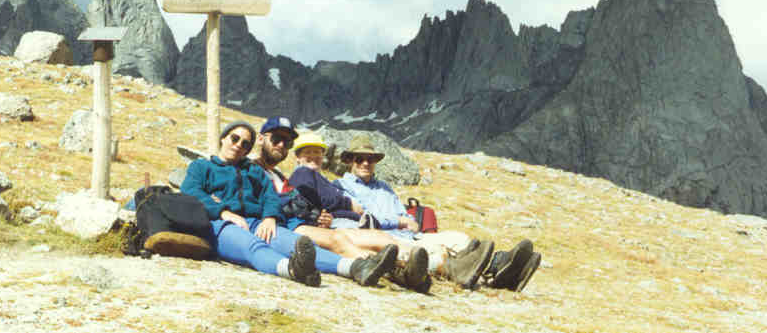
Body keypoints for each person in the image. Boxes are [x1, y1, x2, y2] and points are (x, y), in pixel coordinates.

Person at [179, 119, 397, 288]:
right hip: (219, 224)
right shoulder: (202, 167)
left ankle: (355, 267)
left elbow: (270, 196)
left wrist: (269, 217)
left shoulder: (253, 170)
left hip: (256, 221)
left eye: (245, 144)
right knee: (253, 246)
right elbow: (191, 191)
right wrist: (224, 212)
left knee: (296, 243)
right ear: (223, 138)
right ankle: (291, 269)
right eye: (234, 138)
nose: (238, 145)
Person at [333, 134, 542, 292]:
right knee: (436, 251)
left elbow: (407, 216)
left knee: (458, 238)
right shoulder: (342, 187)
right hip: (387, 240)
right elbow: (361, 219)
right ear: (350, 161)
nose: (365, 163)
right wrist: (399, 221)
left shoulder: (385, 187)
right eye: (359, 159)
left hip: (413, 235)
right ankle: (493, 273)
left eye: (370, 159)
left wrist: (409, 221)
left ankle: (501, 265)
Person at [251, 119, 430, 292]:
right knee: (342, 240)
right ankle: (397, 271)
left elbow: (300, 204)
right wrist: (269, 217)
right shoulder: (257, 168)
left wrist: (320, 216)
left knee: (370, 239)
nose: (281, 145)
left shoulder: (279, 175)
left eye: (287, 142)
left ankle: (405, 270)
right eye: (276, 139)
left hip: (301, 223)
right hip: (285, 226)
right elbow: (266, 203)